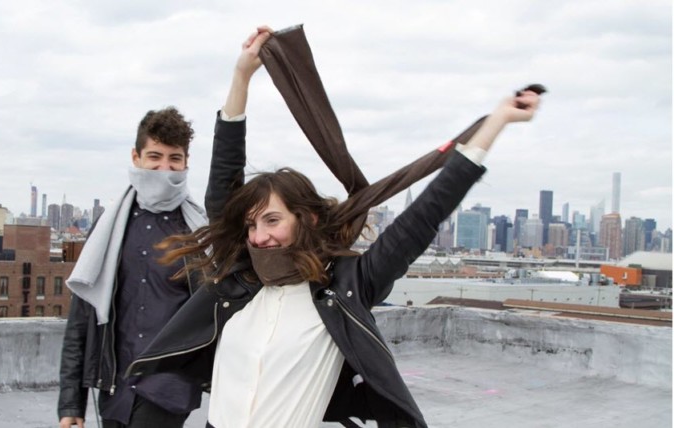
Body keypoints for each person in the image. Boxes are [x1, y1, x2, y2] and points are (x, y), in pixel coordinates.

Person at [127, 27, 542, 428]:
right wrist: (242, 76)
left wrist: (497, 122)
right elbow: (224, 182)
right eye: (251, 225)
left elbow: (426, 214)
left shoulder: (344, 289)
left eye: (272, 220)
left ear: (305, 219)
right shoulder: (240, 282)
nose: (259, 237)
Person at [57, 107, 211, 428]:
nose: (164, 168)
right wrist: (71, 402)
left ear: (186, 163)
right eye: (155, 156)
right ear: (136, 157)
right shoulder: (110, 227)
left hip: (168, 386)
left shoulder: (198, 231)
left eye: (175, 159)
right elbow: (82, 316)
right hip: (116, 384)